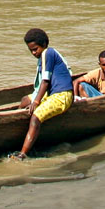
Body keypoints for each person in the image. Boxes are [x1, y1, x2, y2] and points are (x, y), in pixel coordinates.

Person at [13, 28, 74, 159]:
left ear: (44, 44)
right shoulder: (43, 57)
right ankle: (15, 123)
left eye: (36, 49)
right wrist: (33, 100)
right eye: (31, 51)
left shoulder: (48, 53)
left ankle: (23, 154)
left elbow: (45, 82)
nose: (34, 53)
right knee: (25, 100)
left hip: (63, 95)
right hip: (52, 94)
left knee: (35, 117)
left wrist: (36, 102)